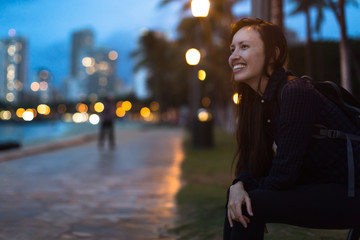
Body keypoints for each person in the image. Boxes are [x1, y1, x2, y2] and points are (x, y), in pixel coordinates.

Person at [224, 17, 360, 240]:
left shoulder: (295, 92)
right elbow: (255, 164)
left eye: (244, 47)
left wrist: (245, 189)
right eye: (232, 49)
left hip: (351, 191)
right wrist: (237, 185)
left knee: (249, 204)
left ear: (274, 54)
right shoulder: (259, 104)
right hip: (323, 186)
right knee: (240, 199)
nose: (233, 56)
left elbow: (282, 176)